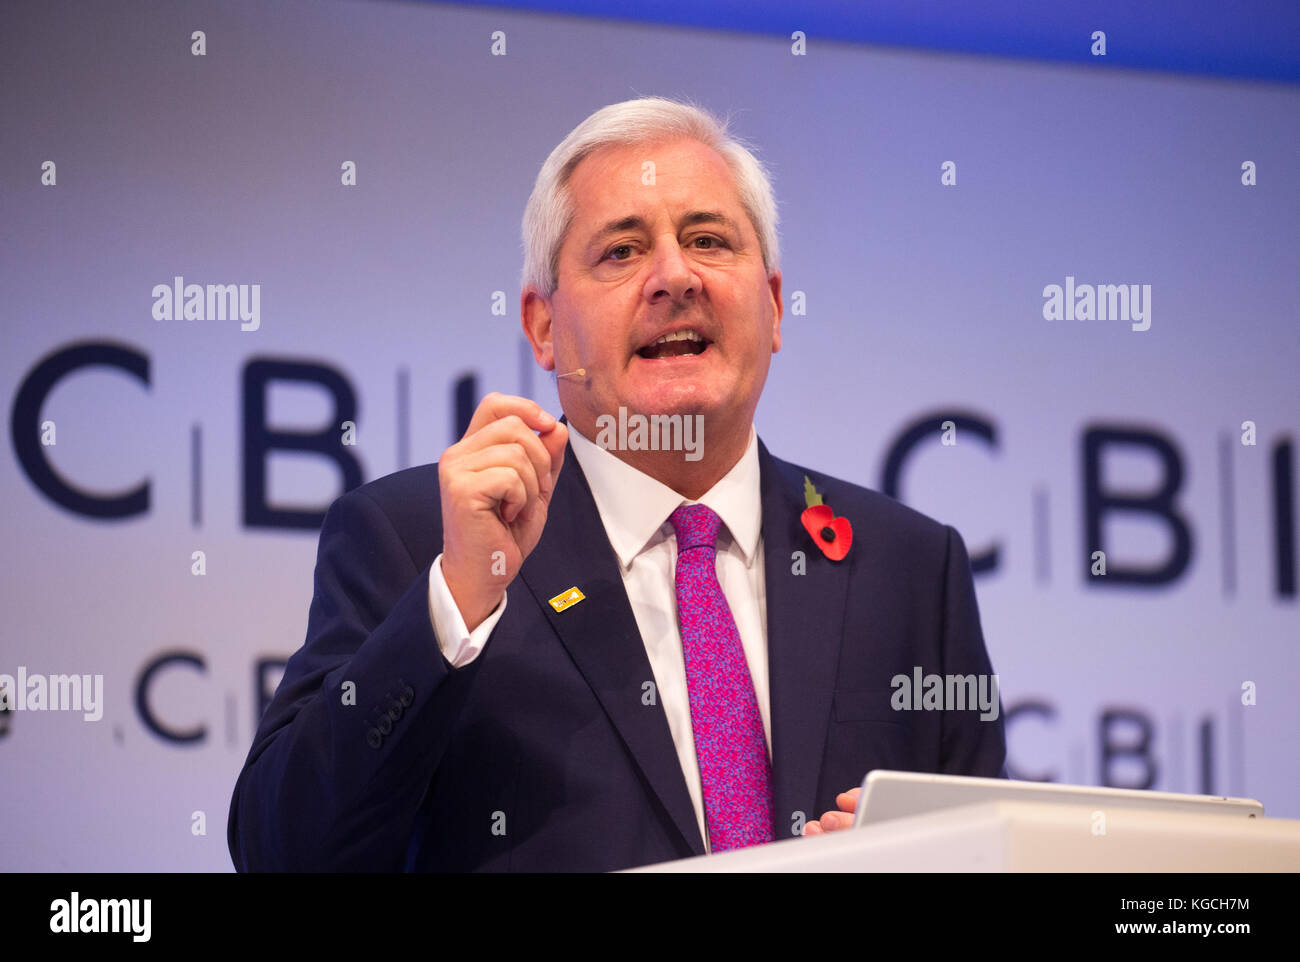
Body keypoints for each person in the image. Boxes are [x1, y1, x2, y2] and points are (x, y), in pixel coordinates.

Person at [227, 97, 1006, 872]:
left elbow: (990, 855)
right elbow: (284, 851)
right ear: (541, 326)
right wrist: (456, 602)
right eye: (622, 252)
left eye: (707, 239)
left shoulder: (908, 569)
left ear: (772, 306)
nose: (675, 276)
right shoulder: (419, 541)